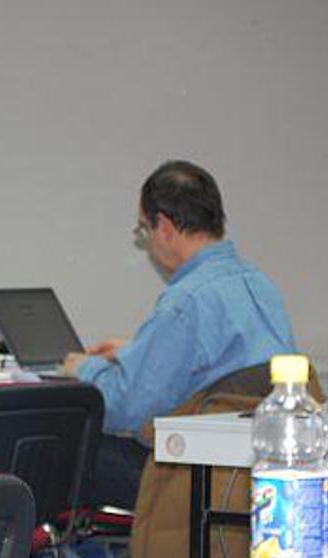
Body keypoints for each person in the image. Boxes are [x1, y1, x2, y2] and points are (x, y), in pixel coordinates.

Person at [61, 160, 296, 509]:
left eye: (144, 230)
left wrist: (82, 369)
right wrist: (135, 352)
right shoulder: (258, 285)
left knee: (61, 446)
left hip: (190, 479)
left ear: (165, 227)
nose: (148, 242)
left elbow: (126, 410)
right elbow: (215, 365)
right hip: (249, 473)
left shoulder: (186, 302)